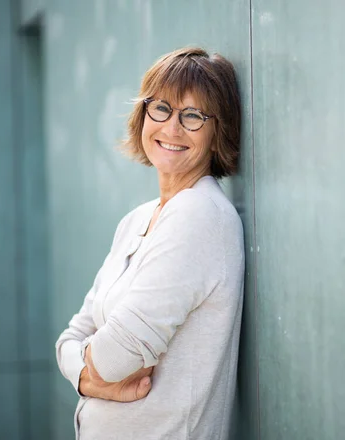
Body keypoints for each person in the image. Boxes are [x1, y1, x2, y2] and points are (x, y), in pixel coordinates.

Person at [55, 46, 244, 440]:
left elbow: (114, 357)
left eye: (193, 116)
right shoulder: (136, 220)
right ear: (143, 115)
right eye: (161, 108)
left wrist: (93, 367)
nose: (172, 129)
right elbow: (70, 337)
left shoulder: (200, 215)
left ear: (217, 132)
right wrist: (88, 380)